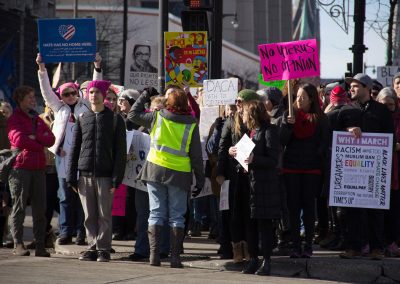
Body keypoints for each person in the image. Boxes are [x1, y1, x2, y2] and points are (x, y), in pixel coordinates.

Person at [128, 86, 204, 268]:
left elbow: (132, 115)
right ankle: (175, 258)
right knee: (177, 216)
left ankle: (154, 257)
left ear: (168, 103)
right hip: (179, 174)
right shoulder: (191, 123)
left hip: (155, 170)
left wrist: (144, 95)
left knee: (155, 212)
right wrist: (200, 179)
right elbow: (196, 155)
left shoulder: (158, 117)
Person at [37, 53, 95, 246]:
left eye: (73, 93)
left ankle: (81, 232)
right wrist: (42, 70)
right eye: (65, 94)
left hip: (82, 158)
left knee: (82, 197)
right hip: (63, 157)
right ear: (60, 96)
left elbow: (95, 88)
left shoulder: (85, 106)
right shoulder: (58, 108)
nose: (70, 97)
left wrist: (97, 67)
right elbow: (46, 91)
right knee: (64, 196)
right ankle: (64, 231)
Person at [67, 80, 127, 262]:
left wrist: (117, 178)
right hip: (84, 176)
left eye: (97, 92)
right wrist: (71, 177)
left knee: (104, 215)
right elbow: (74, 149)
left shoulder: (116, 120)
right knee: (89, 215)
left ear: (103, 94)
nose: (94, 95)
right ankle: (92, 247)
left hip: (106, 176)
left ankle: (103, 249)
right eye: (91, 92)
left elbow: (120, 152)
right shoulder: (82, 118)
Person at [338, 73, 394, 260]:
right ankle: (353, 247)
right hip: (351, 170)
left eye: (355, 86)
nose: (351, 89)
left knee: (375, 210)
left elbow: (390, 137)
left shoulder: (381, 110)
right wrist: (347, 130)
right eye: (350, 86)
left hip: (375, 170)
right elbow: (334, 133)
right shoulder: (346, 109)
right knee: (352, 210)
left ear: (367, 89)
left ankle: (377, 248)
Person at [280, 83, 329, 258]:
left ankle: (308, 244)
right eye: (297, 96)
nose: (299, 100)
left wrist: (317, 155)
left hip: (312, 169)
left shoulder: (321, 118)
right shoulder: (288, 115)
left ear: (311, 99)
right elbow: (282, 141)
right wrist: (288, 126)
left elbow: (324, 143)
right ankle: (295, 244)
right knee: (293, 207)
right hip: (291, 167)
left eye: (303, 97)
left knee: (309, 207)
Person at [7, 86, 55, 257]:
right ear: (20, 99)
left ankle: (40, 245)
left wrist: (35, 138)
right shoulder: (14, 118)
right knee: (19, 207)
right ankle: (18, 243)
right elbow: (18, 139)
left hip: (39, 168)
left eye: (33, 96)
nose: (33, 100)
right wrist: (38, 143)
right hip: (20, 168)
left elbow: (51, 138)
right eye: (29, 97)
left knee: (40, 209)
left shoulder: (37, 118)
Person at [216, 89, 260, 263]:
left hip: (251, 174)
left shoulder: (257, 122)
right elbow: (222, 146)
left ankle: (249, 247)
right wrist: (221, 167)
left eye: (241, 101)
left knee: (249, 213)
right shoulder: (231, 121)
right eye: (237, 101)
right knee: (233, 213)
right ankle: (236, 249)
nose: (238, 104)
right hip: (233, 174)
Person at [238, 100, 280, 275]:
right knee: (251, 225)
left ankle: (267, 261)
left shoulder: (269, 131)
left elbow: (273, 160)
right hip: (251, 185)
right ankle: (253, 259)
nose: (242, 116)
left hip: (265, 185)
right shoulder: (250, 132)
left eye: (245, 113)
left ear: (253, 114)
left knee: (264, 225)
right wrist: (237, 155)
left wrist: (255, 160)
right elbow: (244, 161)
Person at [376, 87, 400, 257]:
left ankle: (393, 242)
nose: (387, 108)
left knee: (394, 210)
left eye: (390, 105)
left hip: (395, 173)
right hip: (377, 172)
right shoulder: (373, 118)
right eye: (383, 105)